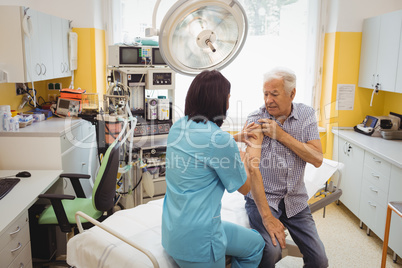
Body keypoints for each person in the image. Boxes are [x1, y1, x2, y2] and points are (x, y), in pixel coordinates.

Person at [161, 70, 264, 268]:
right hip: (199, 243)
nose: (228, 104)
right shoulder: (219, 140)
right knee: (256, 247)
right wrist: (247, 155)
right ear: (219, 102)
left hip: (172, 232)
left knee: (255, 243)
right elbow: (244, 188)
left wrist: (234, 139)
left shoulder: (178, 126)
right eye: (227, 99)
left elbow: (202, 148)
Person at [244, 67, 328, 267]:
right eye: (265, 94)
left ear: (292, 94)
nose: (268, 100)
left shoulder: (306, 115)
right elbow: (251, 169)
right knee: (271, 252)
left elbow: (317, 158)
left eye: (274, 94)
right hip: (265, 199)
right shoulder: (256, 119)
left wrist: (280, 135)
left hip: (296, 200)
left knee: (319, 260)